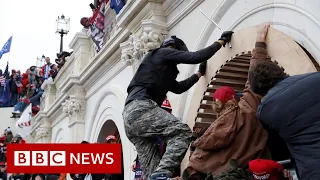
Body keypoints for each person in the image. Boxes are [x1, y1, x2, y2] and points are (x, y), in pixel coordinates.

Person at [122, 31, 233, 180]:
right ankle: (162, 174)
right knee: (182, 133)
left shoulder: (158, 68)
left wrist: (199, 74)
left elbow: (179, 88)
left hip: (129, 119)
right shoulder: (162, 53)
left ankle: (158, 175)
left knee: (151, 168)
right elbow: (196, 57)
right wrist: (220, 42)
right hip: (141, 108)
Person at [249, 23, 320, 180]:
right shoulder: (316, 79)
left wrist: (259, 40)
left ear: (260, 92)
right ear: (279, 71)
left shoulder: (265, 111)